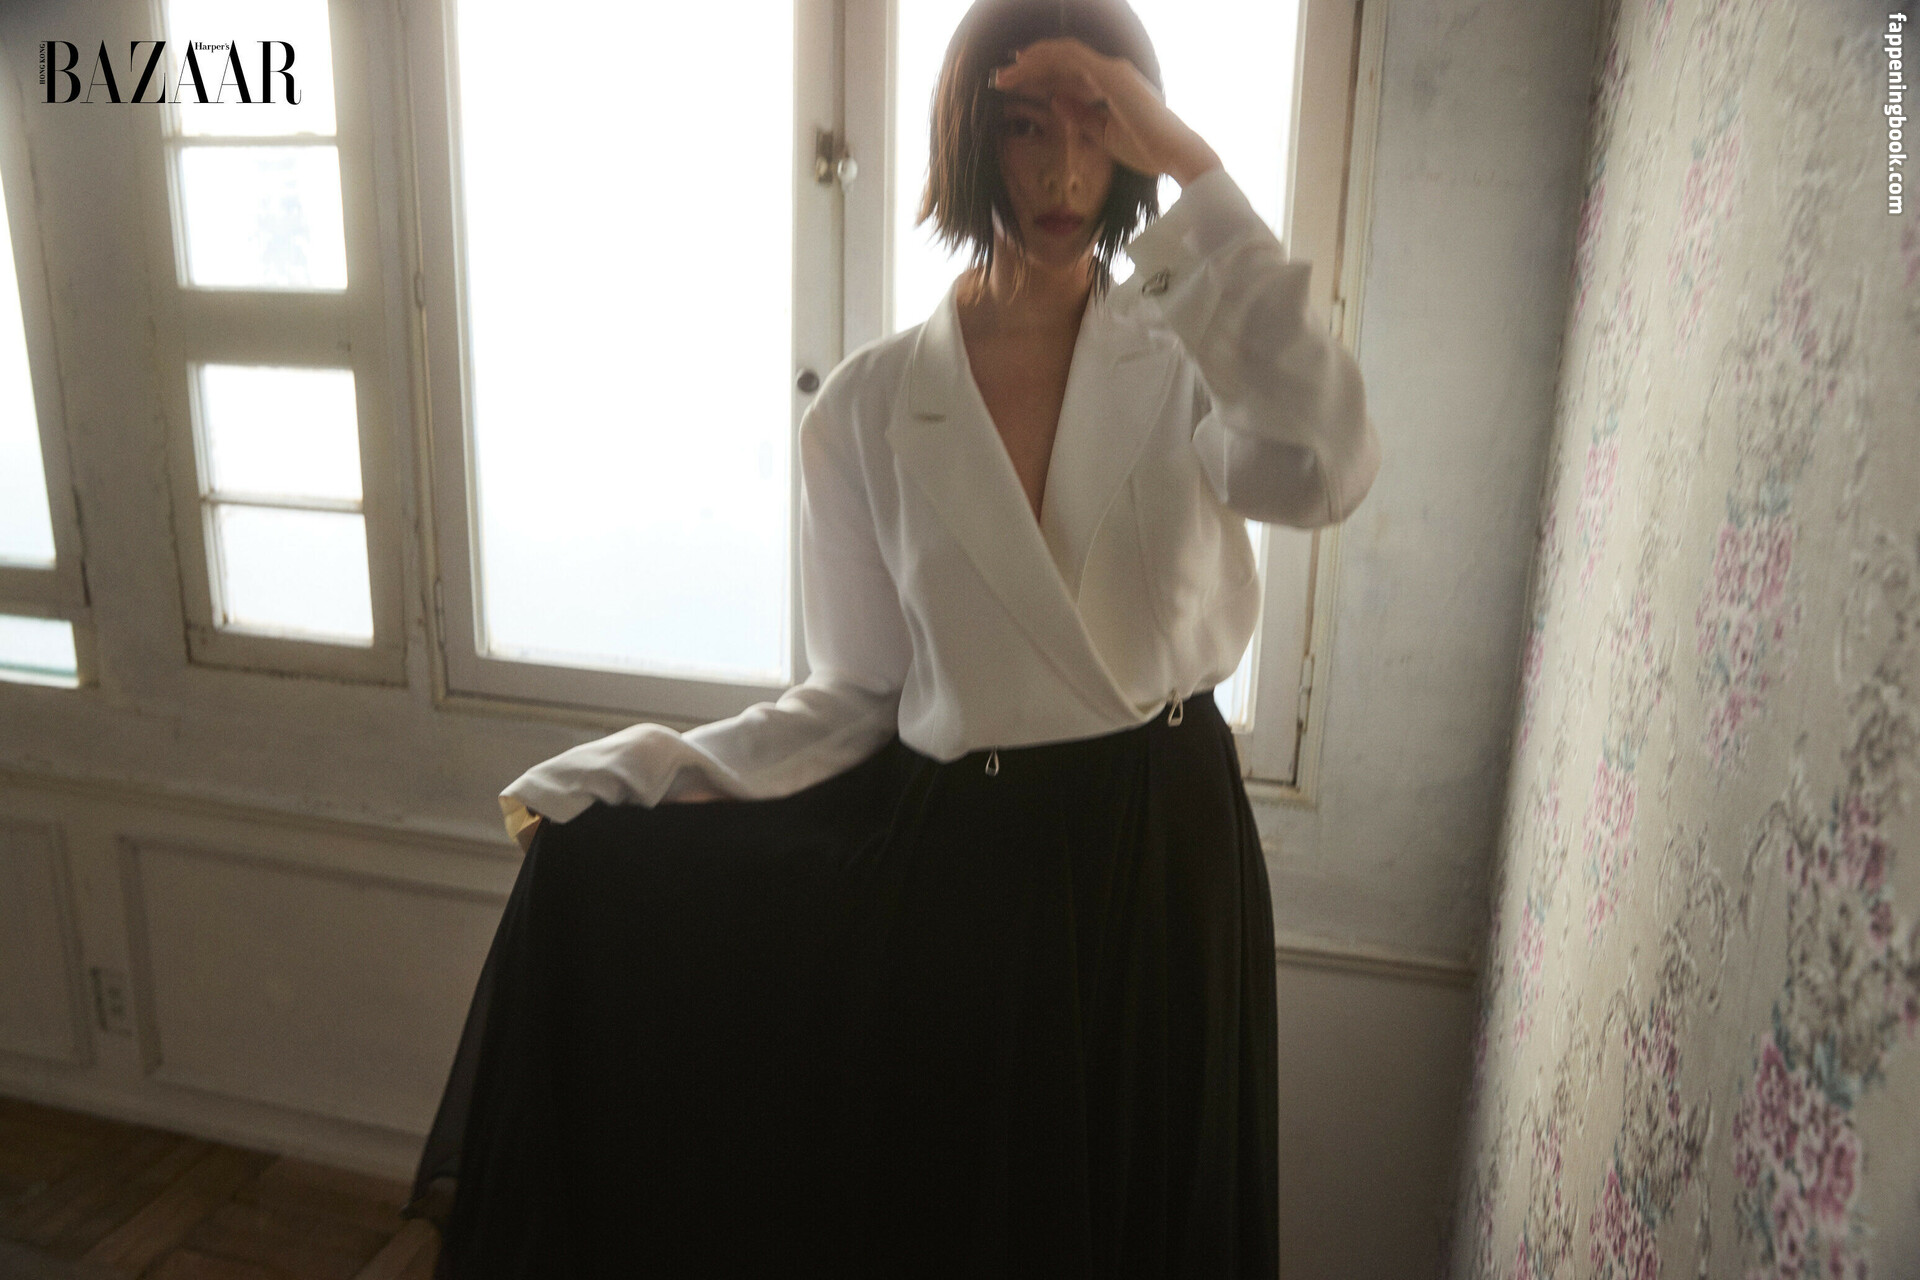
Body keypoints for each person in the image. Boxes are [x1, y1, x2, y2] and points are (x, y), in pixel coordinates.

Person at [409, 1, 1380, 1275]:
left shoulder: (1192, 353)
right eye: (1022, 126)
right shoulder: (868, 406)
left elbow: (1329, 465)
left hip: (1164, 856)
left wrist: (1190, 160)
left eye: (1098, 126)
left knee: (1155, 1212)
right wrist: (661, 772)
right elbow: (858, 692)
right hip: (972, 876)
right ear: (967, 138)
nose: (1062, 169)